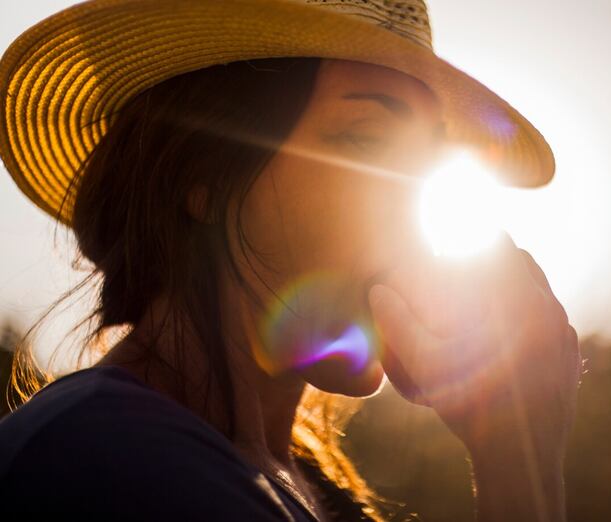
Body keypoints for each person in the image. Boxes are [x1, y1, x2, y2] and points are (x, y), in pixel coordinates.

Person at [0, 1, 580, 520]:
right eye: (368, 142)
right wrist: (518, 469)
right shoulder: (106, 460)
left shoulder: (300, 483)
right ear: (200, 174)